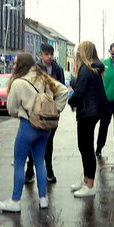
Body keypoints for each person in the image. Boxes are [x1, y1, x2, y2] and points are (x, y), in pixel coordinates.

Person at [0, 54, 67, 212]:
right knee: (39, 162)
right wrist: (56, 109)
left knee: (19, 163)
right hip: (45, 127)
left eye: (15, 63)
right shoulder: (44, 78)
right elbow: (63, 91)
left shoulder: (18, 83)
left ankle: (15, 201)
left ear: (21, 65)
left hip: (28, 126)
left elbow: (12, 109)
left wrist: (22, 113)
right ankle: (43, 199)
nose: (14, 66)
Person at [68, 41, 110, 197]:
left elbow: (79, 92)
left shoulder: (86, 69)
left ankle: (90, 185)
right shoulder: (95, 69)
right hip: (95, 111)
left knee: (85, 147)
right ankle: (86, 180)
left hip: (88, 112)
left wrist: (70, 102)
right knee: (85, 146)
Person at [25, 43, 66, 184]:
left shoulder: (58, 69)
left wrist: (58, 110)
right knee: (34, 140)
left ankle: (49, 170)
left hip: (51, 112)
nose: (49, 57)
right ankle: (30, 170)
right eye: (46, 54)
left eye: (51, 54)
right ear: (40, 55)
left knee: (49, 142)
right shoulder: (35, 69)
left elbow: (61, 90)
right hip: (37, 111)